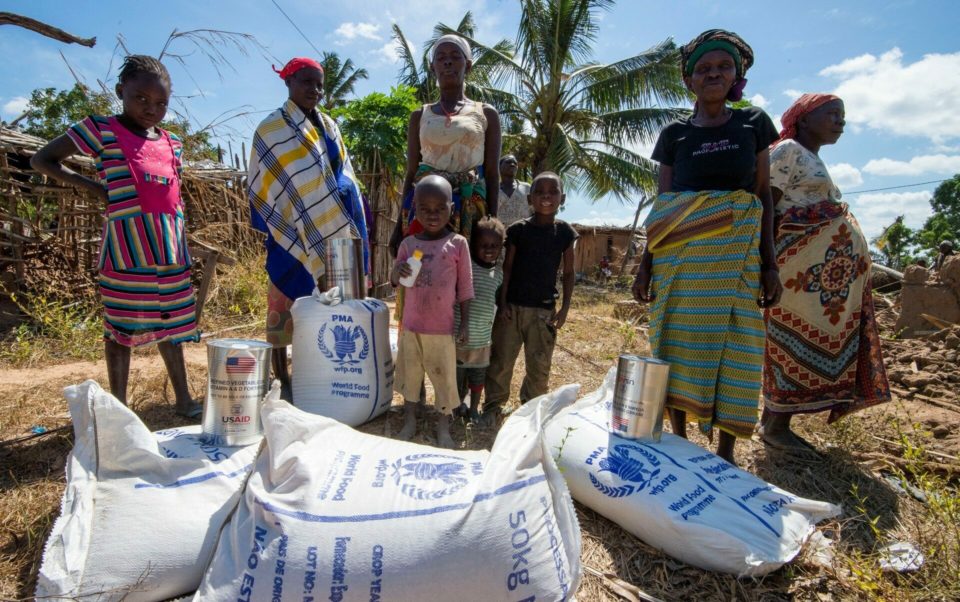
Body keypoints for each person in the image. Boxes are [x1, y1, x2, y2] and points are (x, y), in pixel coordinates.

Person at [631, 30, 782, 464]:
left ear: (737, 76)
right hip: (680, 262)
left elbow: (762, 197)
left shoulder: (752, 124)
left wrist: (769, 265)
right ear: (689, 79)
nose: (713, 74)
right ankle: (679, 441)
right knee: (676, 345)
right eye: (703, 68)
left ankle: (727, 453)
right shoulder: (674, 134)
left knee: (739, 346)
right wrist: (645, 267)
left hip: (736, 259)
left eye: (723, 67)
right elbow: (664, 208)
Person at [31, 55, 201, 417]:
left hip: (169, 249)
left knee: (170, 325)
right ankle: (120, 409)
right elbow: (42, 159)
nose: (151, 109)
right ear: (121, 90)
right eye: (141, 98)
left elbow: (173, 195)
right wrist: (94, 188)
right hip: (127, 249)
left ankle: (184, 400)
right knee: (120, 326)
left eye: (161, 103)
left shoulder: (172, 143)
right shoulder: (101, 129)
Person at [759, 93, 891, 455]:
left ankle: (778, 421)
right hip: (798, 274)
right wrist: (767, 264)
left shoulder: (811, 158)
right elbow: (765, 205)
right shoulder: (787, 150)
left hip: (823, 285)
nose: (841, 121)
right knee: (791, 339)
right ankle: (774, 425)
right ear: (802, 119)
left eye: (843, 115)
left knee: (805, 339)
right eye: (832, 113)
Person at [247, 57, 369, 398]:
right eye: (306, 82)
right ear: (287, 82)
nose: (314, 90)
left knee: (331, 307)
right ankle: (282, 380)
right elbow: (264, 183)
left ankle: (324, 374)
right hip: (289, 231)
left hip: (333, 230)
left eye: (319, 84)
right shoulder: (271, 129)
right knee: (283, 307)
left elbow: (343, 173)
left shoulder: (330, 125)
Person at [390, 34, 501, 255]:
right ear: (433, 67)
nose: (447, 62)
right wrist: (397, 226)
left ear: (467, 65)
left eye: (454, 56)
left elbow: (491, 172)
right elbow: (412, 172)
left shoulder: (486, 113)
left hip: (470, 208)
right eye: (440, 57)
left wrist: (492, 221)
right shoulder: (420, 115)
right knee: (421, 275)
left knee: (466, 281)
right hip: (425, 209)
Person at [484, 172, 577, 426]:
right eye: (539, 191)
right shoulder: (517, 231)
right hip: (512, 309)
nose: (546, 196)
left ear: (562, 198)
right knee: (501, 361)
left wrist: (565, 308)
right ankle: (493, 406)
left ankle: (532, 410)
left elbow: (569, 273)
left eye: (552, 191)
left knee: (539, 366)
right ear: (529, 198)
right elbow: (508, 269)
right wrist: (502, 304)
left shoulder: (565, 233)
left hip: (543, 312)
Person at [391, 175, 474, 447]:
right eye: (425, 208)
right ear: (415, 208)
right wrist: (396, 271)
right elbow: (396, 279)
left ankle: (443, 427)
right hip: (412, 327)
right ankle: (411, 420)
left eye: (440, 208)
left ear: (452, 208)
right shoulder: (408, 244)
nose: (433, 214)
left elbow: (465, 288)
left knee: (444, 381)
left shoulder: (458, 244)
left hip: (442, 329)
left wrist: (464, 324)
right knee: (410, 377)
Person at [453, 216, 505, 422]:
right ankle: (457, 406)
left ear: (501, 247)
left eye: (494, 245)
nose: (489, 249)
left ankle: (474, 409)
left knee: (477, 378)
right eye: (483, 245)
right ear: (473, 245)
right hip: (459, 337)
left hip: (483, 340)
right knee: (457, 378)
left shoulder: (499, 274)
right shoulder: (466, 268)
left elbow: (500, 301)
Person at [497, 154, 532, 227]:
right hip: (499, 235)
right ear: (499, 166)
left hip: (524, 234)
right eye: (508, 162)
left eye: (515, 163)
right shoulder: (493, 189)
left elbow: (535, 212)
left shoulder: (527, 188)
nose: (512, 164)